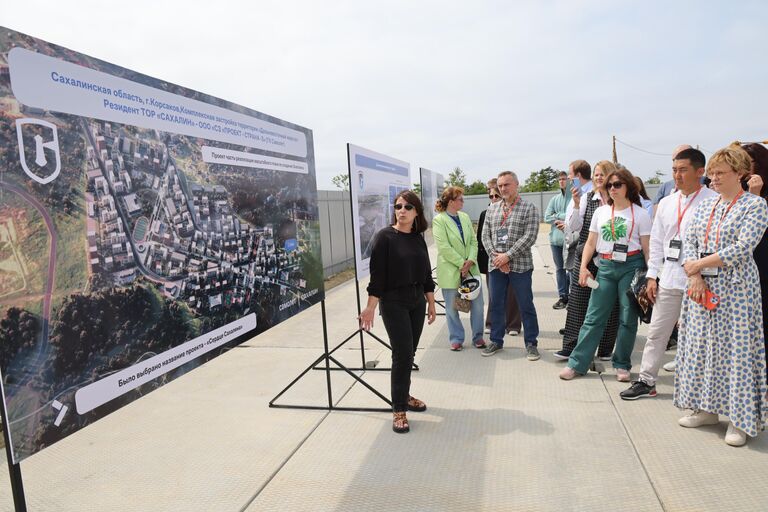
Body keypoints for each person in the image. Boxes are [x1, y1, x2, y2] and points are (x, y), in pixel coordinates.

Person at [674, 146, 768, 446]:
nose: (713, 179)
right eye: (711, 173)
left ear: (739, 173)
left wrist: (699, 264)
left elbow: (742, 248)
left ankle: (740, 421)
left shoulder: (754, 206)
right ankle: (706, 408)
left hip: (735, 289)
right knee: (702, 348)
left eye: (720, 173)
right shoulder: (705, 206)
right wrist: (696, 275)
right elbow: (689, 240)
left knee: (736, 352)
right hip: (701, 289)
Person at [620, 148, 716, 400]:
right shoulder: (666, 203)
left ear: (700, 171)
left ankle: (695, 387)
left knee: (696, 338)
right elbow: (659, 243)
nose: (677, 175)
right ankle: (646, 380)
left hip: (701, 280)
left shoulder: (713, 200)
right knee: (657, 332)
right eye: (674, 170)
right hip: (670, 277)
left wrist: (700, 273)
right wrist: (652, 276)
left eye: (683, 170)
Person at [560, 167, 652, 381]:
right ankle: (577, 363)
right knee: (593, 317)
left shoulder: (640, 213)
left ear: (628, 186)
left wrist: (651, 277)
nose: (612, 189)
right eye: (609, 185)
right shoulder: (601, 212)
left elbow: (648, 248)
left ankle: (622, 364)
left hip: (632, 266)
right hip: (606, 267)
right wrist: (583, 267)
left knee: (628, 318)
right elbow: (591, 242)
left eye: (617, 184)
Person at [359, 190, 437, 434]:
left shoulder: (417, 238)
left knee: (410, 353)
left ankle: (405, 394)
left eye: (407, 207)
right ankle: (399, 409)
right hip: (394, 303)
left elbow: (425, 274)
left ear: (416, 212)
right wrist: (370, 307)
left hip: (417, 302)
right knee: (402, 355)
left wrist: (431, 302)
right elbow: (377, 278)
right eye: (398, 206)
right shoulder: (384, 238)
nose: (401, 210)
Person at [555, 161, 619, 361]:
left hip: (612, 258)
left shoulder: (620, 199)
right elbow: (572, 226)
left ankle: (606, 349)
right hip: (587, 257)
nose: (599, 178)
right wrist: (574, 204)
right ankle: (571, 346)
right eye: (597, 174)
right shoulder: (586, 198)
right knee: (578, 301)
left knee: (610, 303)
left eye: (603, 174)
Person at [481, 171, 540, 360]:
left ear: (516, 185)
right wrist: (497, 258)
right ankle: (496, 341)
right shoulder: (492, 209)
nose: (503, 188)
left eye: (506, 184)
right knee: (496, 304)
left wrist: (507, 256)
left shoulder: (529, 208)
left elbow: (529, 236)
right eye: (500, 185)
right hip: (496, 266)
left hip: (520, 266)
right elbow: (485, 236)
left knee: (525, 304)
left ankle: (531, 343)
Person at [433, 186, 486, 351]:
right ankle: (456, 338)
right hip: (451, 271)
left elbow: (473, 242)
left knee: (477, 306)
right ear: (451, 202)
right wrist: (461, 263)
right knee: (451, 307)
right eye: (460, 199)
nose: (463, 201)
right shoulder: (439, 220)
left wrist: (470, 261)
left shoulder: (465, 217)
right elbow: (443, 247)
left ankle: (478, 337)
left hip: (471, 270)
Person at [477, 180, 522, 335]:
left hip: (513, 258)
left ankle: (513, 325)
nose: (494, 198)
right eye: (491, 196)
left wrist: (507, 256)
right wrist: (493, 258)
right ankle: (491, 323)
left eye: (497, 195)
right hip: (493, 259)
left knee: (512, 293)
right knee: (494, 295)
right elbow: (482, 239)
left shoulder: (513, 211)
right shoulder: (486, 213)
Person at [740, 142, 768, 377]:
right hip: (743, 263)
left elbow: (757, 225)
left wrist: (756, 196)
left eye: (749, 163)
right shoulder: (736, 190)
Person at [545, 171, 570, 309]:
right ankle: (562, 296)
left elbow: (576, 215)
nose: (561, 181)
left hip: (570, 241)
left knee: (571, 270)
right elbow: (547, 217)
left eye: (564, 179)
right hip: (555, 241)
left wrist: (558, 215)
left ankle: (572, 296)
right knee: (559, 269)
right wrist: (563, 217)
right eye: (559, 179)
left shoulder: (575, 198)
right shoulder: (554, 199)